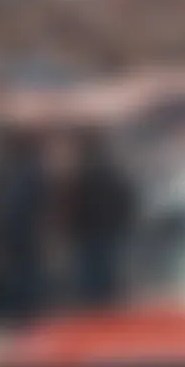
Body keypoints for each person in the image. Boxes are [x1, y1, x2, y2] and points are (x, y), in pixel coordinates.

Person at [0, 126, 48, 320]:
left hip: (17, 227)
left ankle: (22, 306)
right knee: (20, 268)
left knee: (20, 268)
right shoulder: (20, 168)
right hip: (15, 227)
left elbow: (30, 198)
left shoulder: (16, 168)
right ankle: (21, 306)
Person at [63, 127, 135, 307]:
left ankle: (96, 307)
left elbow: (75, 200)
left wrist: (72, 224)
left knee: (91, 273)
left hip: (89, 229)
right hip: (105, 228)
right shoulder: (112, 169)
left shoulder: (84, 170)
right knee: (105, 270)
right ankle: (105, 306)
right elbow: (125, 197)